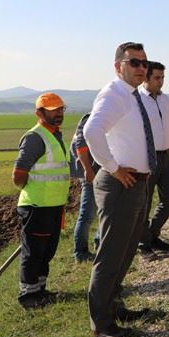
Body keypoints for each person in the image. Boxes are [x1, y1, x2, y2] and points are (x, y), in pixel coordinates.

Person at [83, 42, 155, 337]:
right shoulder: (114, 94)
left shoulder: (132, 95)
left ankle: (114, 307)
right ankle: (101, 324)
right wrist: (113, 168)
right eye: (134, 62)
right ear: (118, 66)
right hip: (120, 184)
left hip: (134, 183)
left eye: (144, 63)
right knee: (111, 255)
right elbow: (91, 131)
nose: (141, 68)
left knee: (125, 252)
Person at [11, 92, 70, 309]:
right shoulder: (35, 137)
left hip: (53, 205)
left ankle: (40, 291)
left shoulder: (55, 135)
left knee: (46, 252)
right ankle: (28, 297)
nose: (59, 114)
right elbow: (18, 174)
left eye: (61, 109)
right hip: (37, 206)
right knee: (34, 252)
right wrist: (30, 191)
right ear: (40, 113)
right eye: (53, 110)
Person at [138, 61, 169, 260]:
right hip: (146, 158)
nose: (161, 82)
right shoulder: (137, 100)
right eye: (157, 78)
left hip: (167, 156)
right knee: (144, 204)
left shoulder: (165, 99)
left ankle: (150, 235)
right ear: (146, 78)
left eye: (163, 77)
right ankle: (144, 244)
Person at [71, 112, 100, 262]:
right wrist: (88, 170)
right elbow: (80, 145)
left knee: (105, 210)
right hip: (90, 173)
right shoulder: (90, 119)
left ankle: (100, 242)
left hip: (100, 171)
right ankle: (80, 253)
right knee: (87, 214)